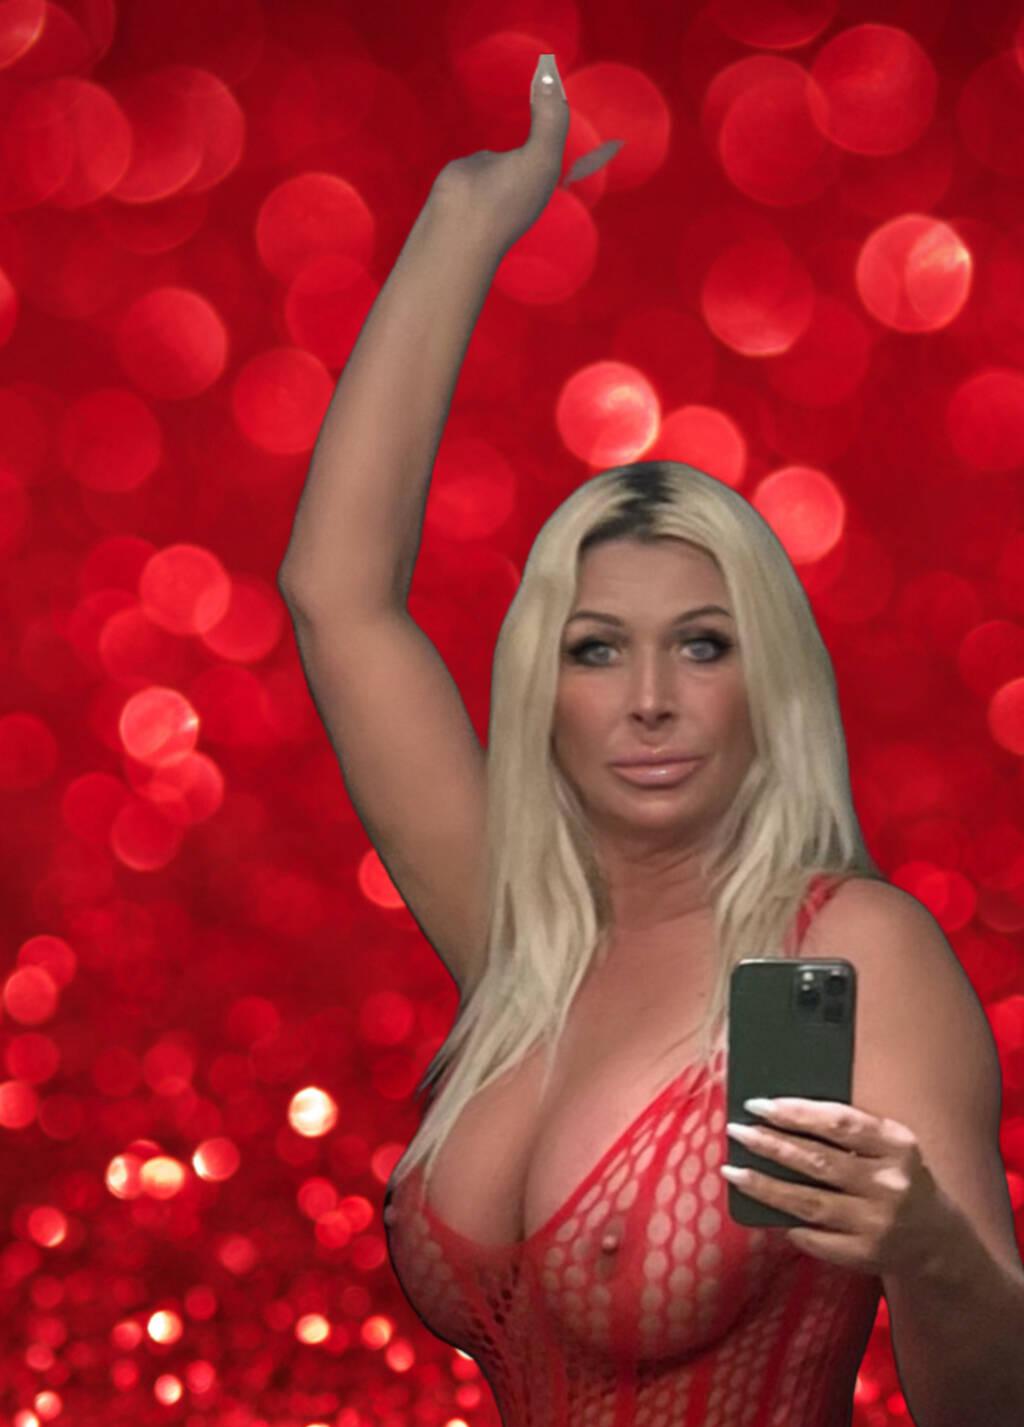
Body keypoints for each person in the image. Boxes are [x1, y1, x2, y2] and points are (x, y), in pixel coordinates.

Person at [278, 54, 889, 1427]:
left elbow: (809, 1294)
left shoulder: (814, 968)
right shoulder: (531, 953)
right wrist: (467, 217)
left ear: (773, 684)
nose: (649, 698)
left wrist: (942, 1261)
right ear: (540, 691)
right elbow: (337, 597)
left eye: (705, 645)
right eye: (596, 649)